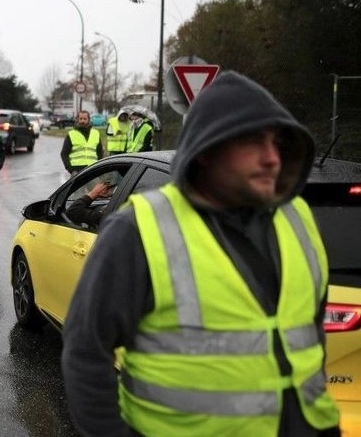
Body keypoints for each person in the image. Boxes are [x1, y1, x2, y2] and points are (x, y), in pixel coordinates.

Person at [61, 71, 341, 436]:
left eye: (278, 143)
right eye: (253, 143)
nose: (273, 158)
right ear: (207, 151)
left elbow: (310, 335)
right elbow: (85, 353)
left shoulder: (298, 217)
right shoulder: (139, 229)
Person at [61, 110, 104, 176]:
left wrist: (99, 168)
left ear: (88, 120)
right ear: (77, 120)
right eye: (80, 119)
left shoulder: (96, 133)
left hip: (92, 169)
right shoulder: (71, 134)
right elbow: (64, 154)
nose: (82, 121)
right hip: (77, 171)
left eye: (84, 119)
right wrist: (71, 170)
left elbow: (100, 153)